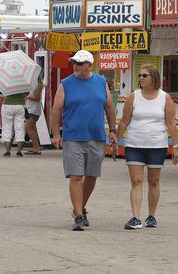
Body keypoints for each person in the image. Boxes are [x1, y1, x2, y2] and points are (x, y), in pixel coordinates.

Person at [50, 50, 118, 231]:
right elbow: (56, 109)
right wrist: (56, 134)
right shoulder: (65, 84)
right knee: (76, 176)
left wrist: (112, 131)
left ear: (89, 64)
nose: (75, 65)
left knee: (92, 176)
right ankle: (79, 216)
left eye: (79, 63)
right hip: (73, 137)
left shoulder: (101, 82)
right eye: (74, 62)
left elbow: (109, 107)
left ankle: (79, 207)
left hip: (96, 136)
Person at [115, 64, 178, 230]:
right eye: (140, 76)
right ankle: (135, 217)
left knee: (154, 181)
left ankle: (151, 215)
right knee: (136, 181)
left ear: (154, 78)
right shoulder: (133, 97)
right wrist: (115, 141)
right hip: (134, 144)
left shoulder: (165, 98)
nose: (141, 78)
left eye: (145, 75)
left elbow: (171, 123)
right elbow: (124, 121)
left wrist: (176, 145)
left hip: (157, 145)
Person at [1, 90, 27, 157]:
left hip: (7, 105)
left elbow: (3, 92)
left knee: (7, 127)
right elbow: (27, 94)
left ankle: (7, 151)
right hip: (20, 105)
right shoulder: (23, 82)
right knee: (20, 128)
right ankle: (19, 151)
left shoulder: (7, 81)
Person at [23, 74, 45, 155]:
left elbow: (37, 98)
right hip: (33, 109)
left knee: (28, 128)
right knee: (33, 128)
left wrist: (28, 97)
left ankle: (36, 148)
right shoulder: (36, 84)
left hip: (33, 110)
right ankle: (37, 147)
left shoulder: (37, 85)